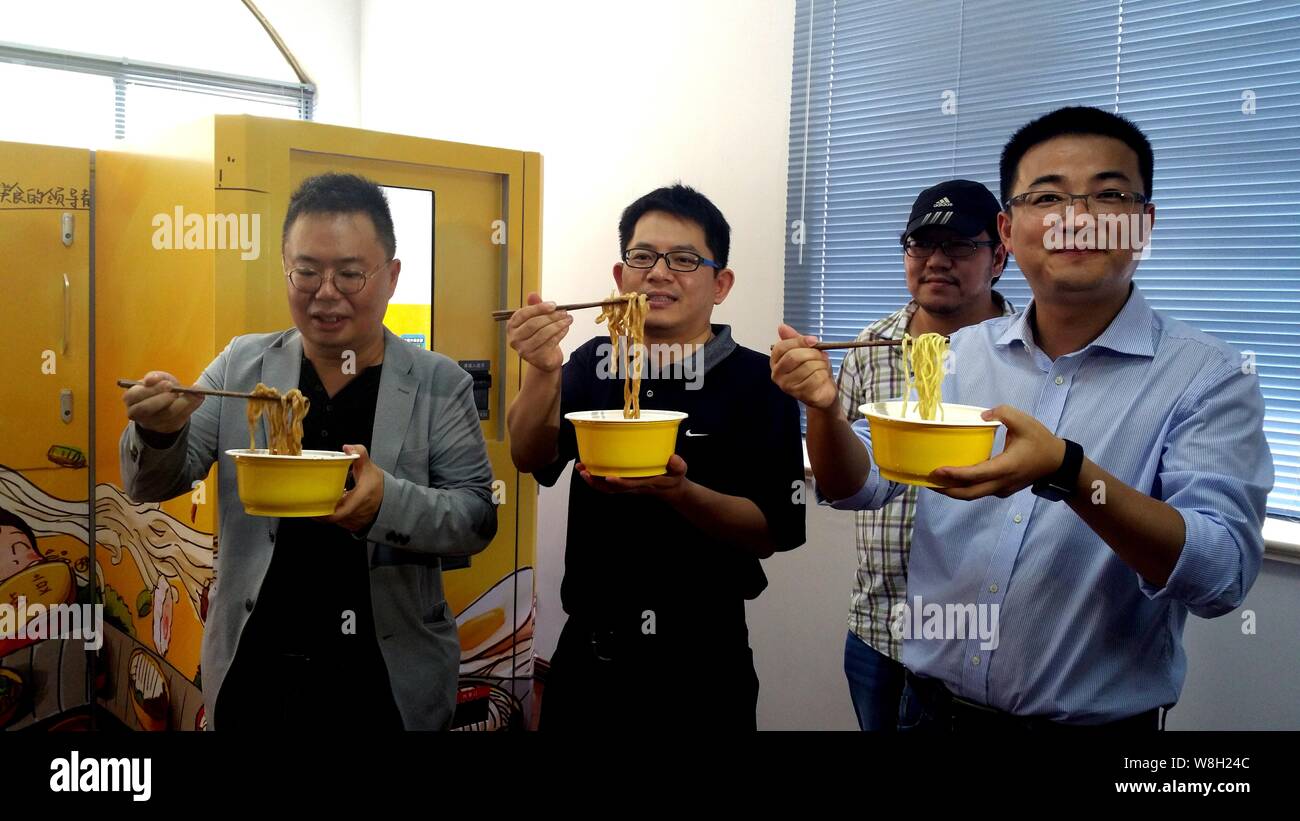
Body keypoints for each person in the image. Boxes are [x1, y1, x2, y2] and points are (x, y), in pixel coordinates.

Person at [772, 106, 1273, 729]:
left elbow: (1221, 577)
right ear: (1010, 230)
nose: (1076, 218)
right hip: (928, 711)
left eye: (1109, 194)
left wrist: (1071, 475)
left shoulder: (1206, 375)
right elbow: (865, 487)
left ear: (1144, 226)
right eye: (1048, 196)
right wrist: (822, 410)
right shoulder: (959, 355)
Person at [120, 172, 498, 730]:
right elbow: (152, 483)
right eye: (307, 271)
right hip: (259, 666)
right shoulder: (241, 366)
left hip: (384, 678)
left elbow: (476, 518)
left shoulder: (439, 383)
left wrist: (384, 506)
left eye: (350, 273)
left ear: (391, 277)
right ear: (285, 271)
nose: (326, 293)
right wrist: (159, 431)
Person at [507, 184, 805, 730]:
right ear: (621, 278)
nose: (659, 273)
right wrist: (542, 370)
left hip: (703, 666)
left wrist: (680, 493)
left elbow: (771, 532)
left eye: (684, 260)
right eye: (642, 257)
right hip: (591, 654)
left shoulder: (760, 382)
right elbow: (531, 457)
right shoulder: (595, 359)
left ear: (721, 284)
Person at [838, 179, 1015, 730]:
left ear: (1000, 256)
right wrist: (818, 410)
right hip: (877, 624)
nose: (937, 260)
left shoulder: (1025, 353)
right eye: (921, 245)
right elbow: (845, 481)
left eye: (960, 246)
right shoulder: (870, 347)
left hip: (972, 632)